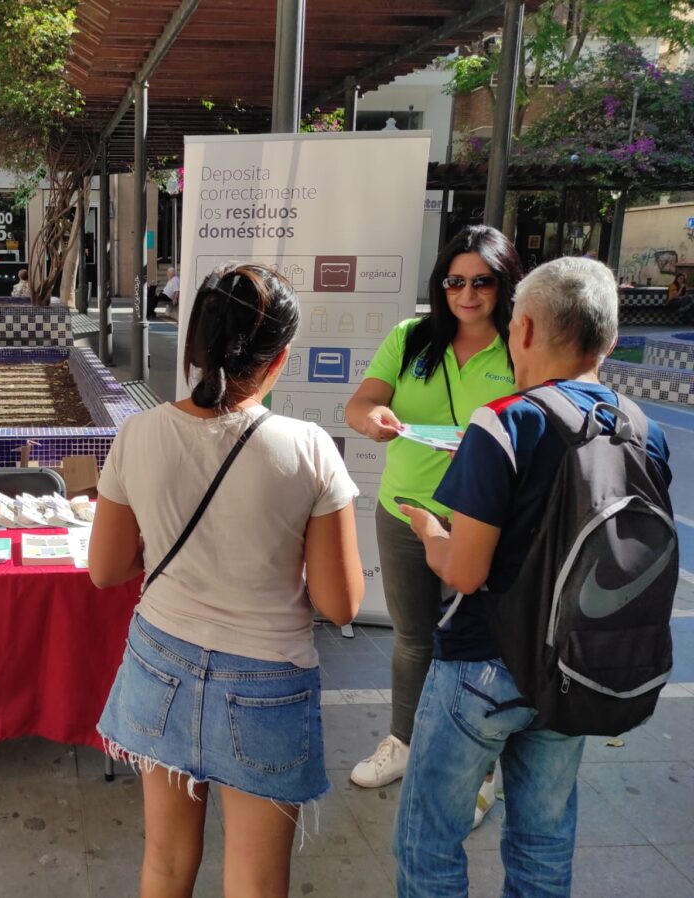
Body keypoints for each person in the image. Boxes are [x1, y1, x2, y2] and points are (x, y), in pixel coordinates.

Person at [392, 256, 671, 897]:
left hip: (482, 668)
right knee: (543, 842)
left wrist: (429, 532)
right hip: (575, 667)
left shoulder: (507, 420)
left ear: (523, 331)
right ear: (609, 340)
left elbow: (465, 570)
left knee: (430, 835)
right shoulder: (643, 430)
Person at [88, 263, 365, 898]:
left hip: (158, 662)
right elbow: (340, 602)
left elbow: (105, 569)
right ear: (282, 357)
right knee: (257, 880)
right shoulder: (310, 449)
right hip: (267, 679)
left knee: (164, 862)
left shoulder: (139, 434)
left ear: (194, 344)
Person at [344, 225, 522, 828]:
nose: (467, 294)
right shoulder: (411, 337)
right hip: (404, 508)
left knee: (484, 643)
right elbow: (359, 404)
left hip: (486, 518)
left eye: (482, 282)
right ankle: (403, 740)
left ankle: (483, 768)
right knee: (413, 637)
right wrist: (375, 418)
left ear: (504, 284)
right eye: (454, 281)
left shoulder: (523, 346)